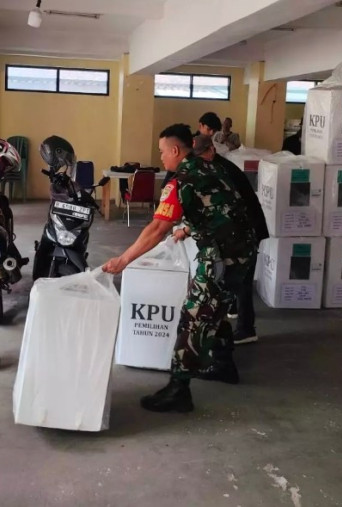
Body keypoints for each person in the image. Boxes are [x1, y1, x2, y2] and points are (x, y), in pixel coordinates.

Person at [103, 124, 256, 413]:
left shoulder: (180, 181)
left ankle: (179, 389)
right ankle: (224, 365)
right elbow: (219, 207)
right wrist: (188, 227)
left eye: (162, 152)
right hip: (243, 252)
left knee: (193, 315)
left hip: (221, 257)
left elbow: (158, 228)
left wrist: (123, 260)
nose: (161, 158)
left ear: (175, 150)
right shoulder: (211, 168)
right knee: (216, 305)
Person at [187, 135, 268, 345]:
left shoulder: (224, 171)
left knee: (243, 281)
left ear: (211, 150)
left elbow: (226, 208)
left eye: (201, 155)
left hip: (247, 230)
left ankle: (246, 329)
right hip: (238, 230)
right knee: (232, 278)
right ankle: (232, 311)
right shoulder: (213, 169)